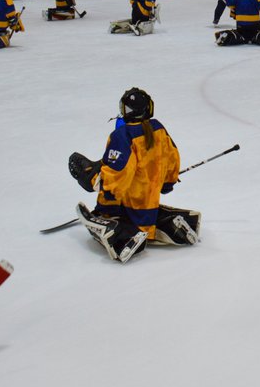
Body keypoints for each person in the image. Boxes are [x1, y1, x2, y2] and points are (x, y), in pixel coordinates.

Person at [69, 88, 200, 263]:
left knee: (109, 212)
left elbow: (118, 174)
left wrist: (93, 180)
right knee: (145, 220)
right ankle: (168, 224)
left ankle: (124, 239)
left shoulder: (123, 136)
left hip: (128, 201)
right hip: (149, 204)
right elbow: (172, 158)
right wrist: (167, 182)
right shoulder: (158, 129)